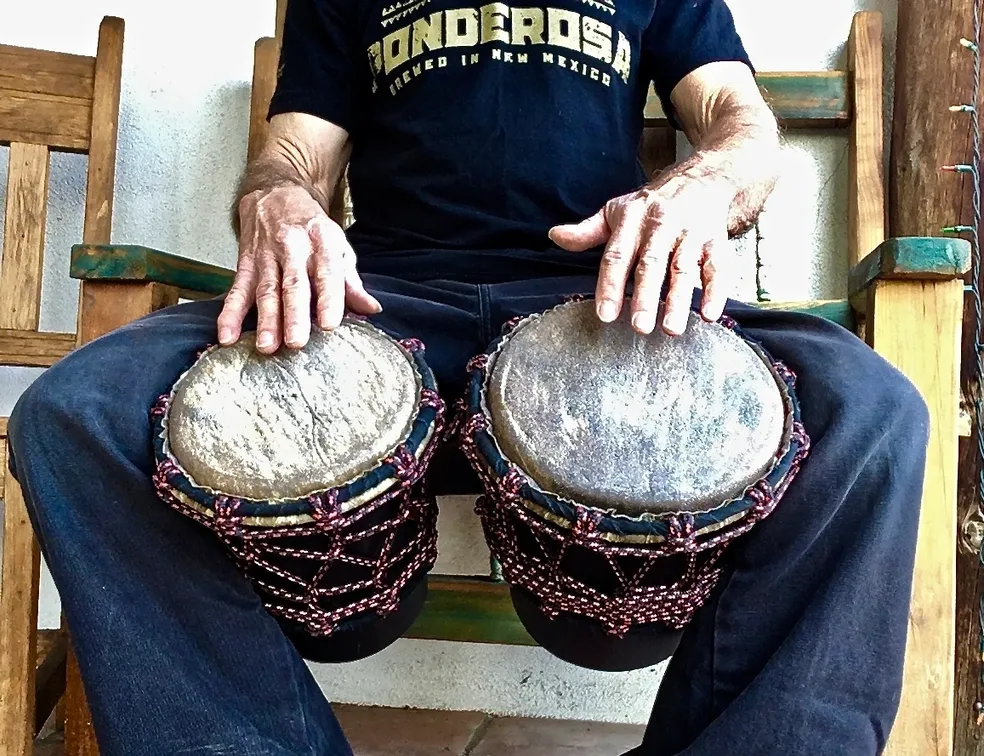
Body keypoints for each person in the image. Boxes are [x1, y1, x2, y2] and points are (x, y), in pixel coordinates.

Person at [6, 0, 929, 754]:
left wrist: (711, 182)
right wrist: (277, 200)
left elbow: (741, 121)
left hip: (598, 300)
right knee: (75, 412)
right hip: (377, 300)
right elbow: (292, 156)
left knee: (875, 412)